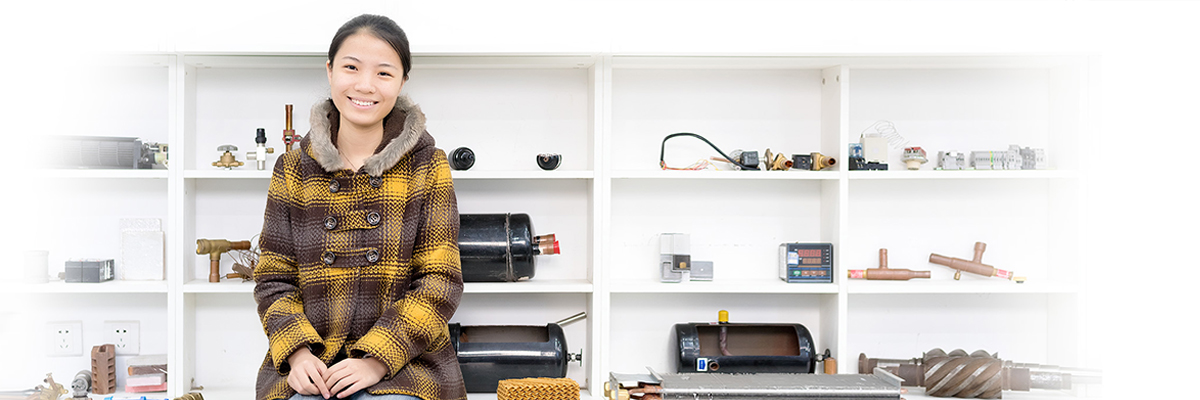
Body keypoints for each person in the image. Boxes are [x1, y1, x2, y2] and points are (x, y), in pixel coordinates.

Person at [253, 14, 466, 400]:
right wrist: (299, 355)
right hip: (313, 361)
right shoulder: (293, 167)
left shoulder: (427, 165)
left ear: (401, 82)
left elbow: (440, 281)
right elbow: (273, 278)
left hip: (407, 365)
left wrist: (376, 361)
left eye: (384, 73)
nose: (365, 85)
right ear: (330, 70)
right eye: (351, 67)